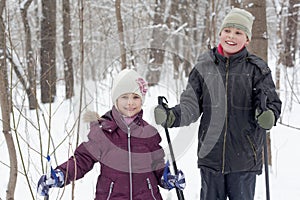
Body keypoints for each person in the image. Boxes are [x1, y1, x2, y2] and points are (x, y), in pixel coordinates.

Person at [154, 8, 281, 200]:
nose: (231, 36)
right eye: (227, 31)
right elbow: (191, 104)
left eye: (238, 33)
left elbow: (271, 102)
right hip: (210, 157)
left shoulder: (257, 69)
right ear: (220, 33)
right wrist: (172, 116)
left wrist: (268, 114)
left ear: (247, 39)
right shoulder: (204, 66)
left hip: (245, 159)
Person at [37, 69, 185, 199]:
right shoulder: (103, 132)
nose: (130, 103)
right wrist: (61, 174)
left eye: (135, 97)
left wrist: (168, 179)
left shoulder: (148, 133)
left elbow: (157, 167)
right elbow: (82, 159)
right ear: (115, 100)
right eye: (124, 97)